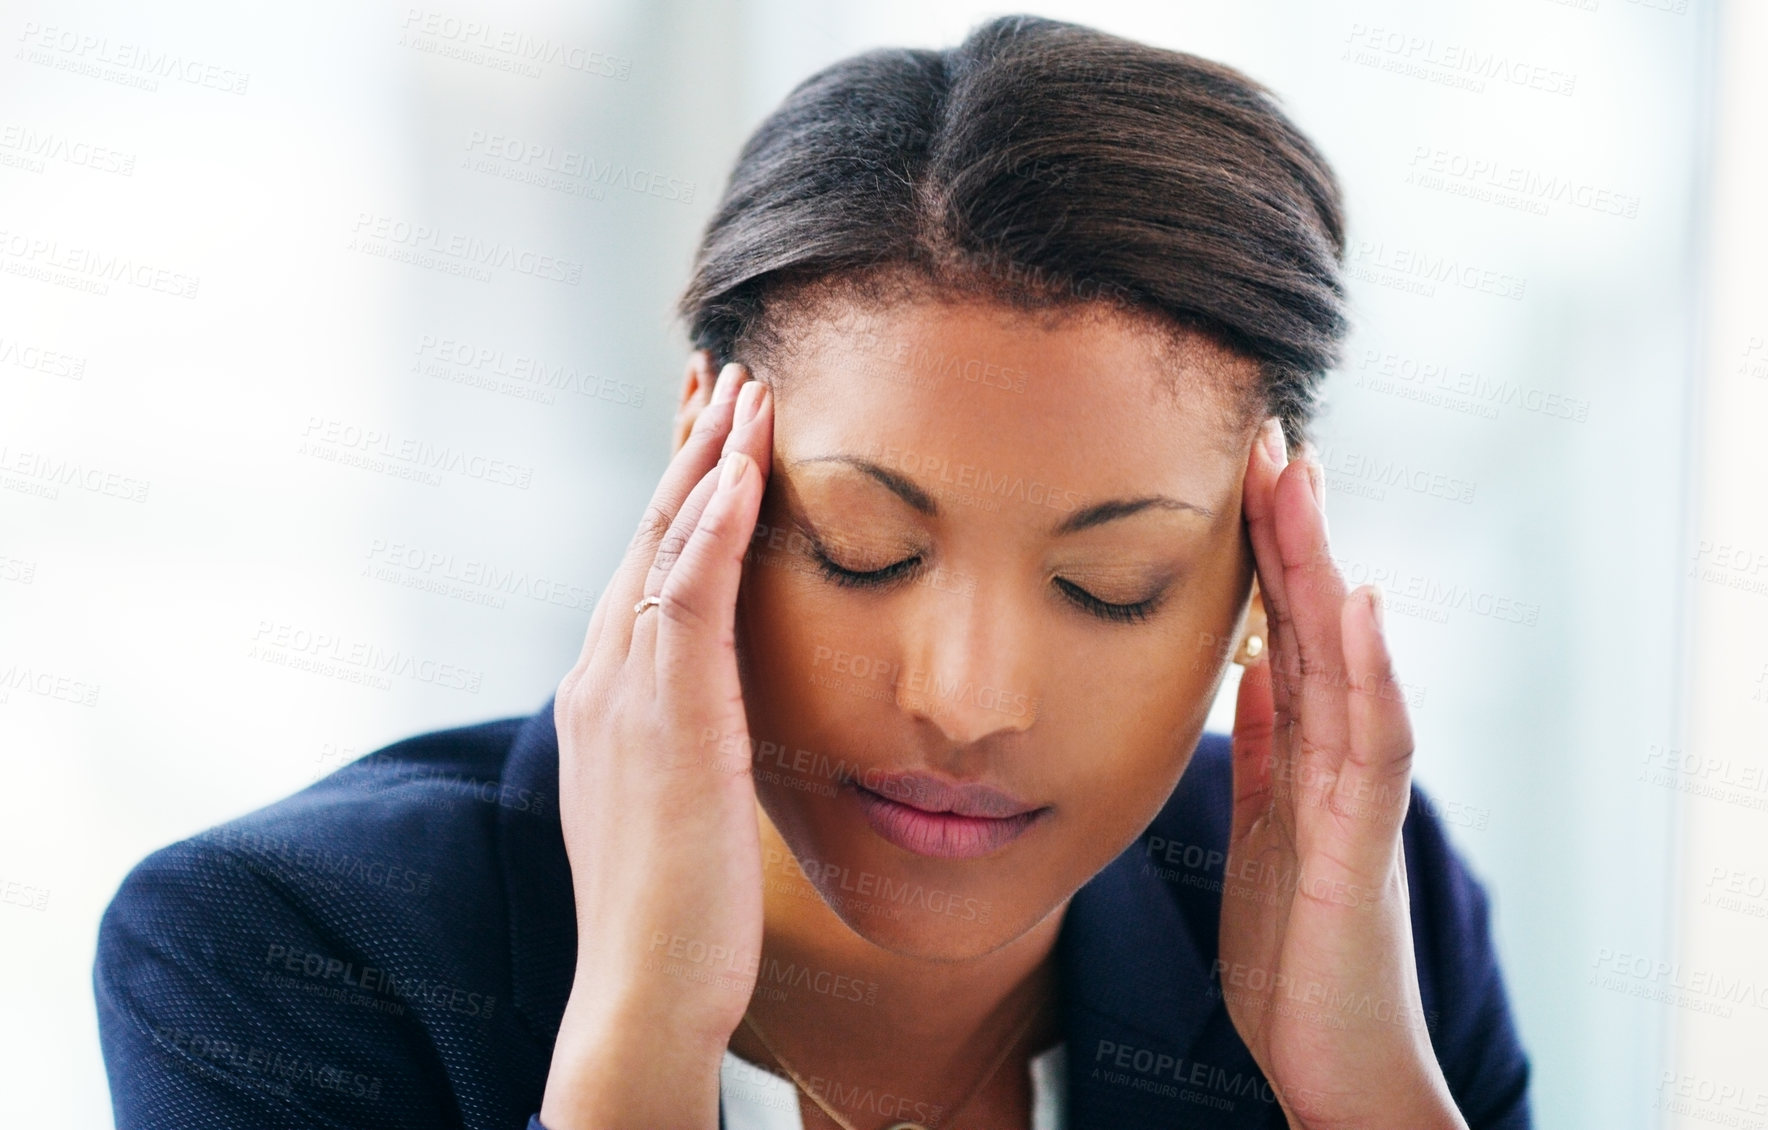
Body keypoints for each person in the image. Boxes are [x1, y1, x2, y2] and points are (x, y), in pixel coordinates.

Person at [94, 14, 1531, 1130]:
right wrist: (638, 1048)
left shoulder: (1364, 920)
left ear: (1263, 572)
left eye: (1112, 582)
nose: (967, 703)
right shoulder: (285, 954)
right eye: (866, 552)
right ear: (701, 471)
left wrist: (1363, 1099)